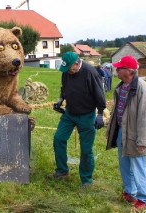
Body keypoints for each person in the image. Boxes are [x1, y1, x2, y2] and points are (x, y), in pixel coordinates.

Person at [50, 52, 106, 188]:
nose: (67, 71)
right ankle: (62, 171)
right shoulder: (66, 71)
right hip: (70, 112)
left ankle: (86, 179)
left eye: (69, 68)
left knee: (86, 149)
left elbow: (100, 93)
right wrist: (60, 99)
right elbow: (64, 87)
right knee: (59, 138)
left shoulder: (90, 72)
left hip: (87, 115)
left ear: (76, 63)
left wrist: (100, 113)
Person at [106, 56, 146, 210]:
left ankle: (143, 199)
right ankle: (130, 192)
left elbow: (145, 117)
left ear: (129, 71)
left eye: (120, 68)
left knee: (139, 165)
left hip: (136, 134)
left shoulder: (142, 88)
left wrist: (142, 141)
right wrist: (111, 130)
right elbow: (116, 111)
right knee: (124, 164)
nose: (117, 70)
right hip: (122, 131)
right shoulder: (121, 86)